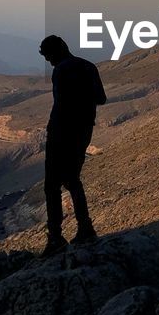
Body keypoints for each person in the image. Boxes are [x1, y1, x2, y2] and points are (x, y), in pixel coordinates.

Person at [37, 34, 106, 255]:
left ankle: (55, 237)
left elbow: (61, 105)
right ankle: (85, 227)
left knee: (52, 185)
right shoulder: (89, 66)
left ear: (56, 52)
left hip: (61, 132)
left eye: (49, 56)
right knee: (73, 180)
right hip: (83, 131)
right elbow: (101, 98)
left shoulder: (61, 70)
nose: (49, 61)